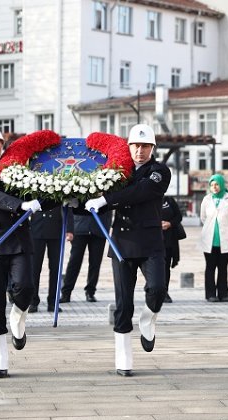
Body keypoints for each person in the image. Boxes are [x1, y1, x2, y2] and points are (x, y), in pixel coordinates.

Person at [84, 123, 171, 377]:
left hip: (150, 242)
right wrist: (78, 200)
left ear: (152, 148)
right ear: (129, 147)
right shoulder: (115, 170)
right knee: (123, 304)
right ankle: (124, 359)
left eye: (145, 146)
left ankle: (149, 319)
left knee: (157, 289)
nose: (140, 151)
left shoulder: (159, 171)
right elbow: (97, 198)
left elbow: (141, 191)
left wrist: (106, 199)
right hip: (121, 243)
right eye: (135, 146)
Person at [0, 126, 53, 379]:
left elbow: (41, 189)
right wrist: (18, 204)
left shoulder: (19, 166)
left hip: (19, 238)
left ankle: (18, 317)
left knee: (25, 287)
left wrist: (62, 197)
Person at [199, 174, 228, 302]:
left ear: (222, 185)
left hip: (225, 240)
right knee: (210, 267)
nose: (214, 187)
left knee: (223, 268)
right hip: (209, 240)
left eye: (216, 184)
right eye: (212, 185)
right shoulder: (206, 199)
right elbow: (203, 218)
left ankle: (223, 294)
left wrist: (227, 228)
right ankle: (210, 294)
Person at [59, 207, 111, 303]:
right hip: (80, 226)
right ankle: (66, 292)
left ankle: (90, 292)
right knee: (74, 261)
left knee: (95, 262)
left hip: (99, 227)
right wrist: (69, 228)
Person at [30, 206, 66, 313]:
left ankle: (53, 302)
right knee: (34, 269)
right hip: (36, 228)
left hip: (56, 229)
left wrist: (69, 229)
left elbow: (66, 206)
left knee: (56, 268)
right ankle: (33, 301)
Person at [161, 194, 183, 303]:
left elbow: (179, 216)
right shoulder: (147, 199)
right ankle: (153, 290)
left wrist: (169, 223)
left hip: (169, 240)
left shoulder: (169, 200)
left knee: (165, 268)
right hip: (151, 240)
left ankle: (164, 292)